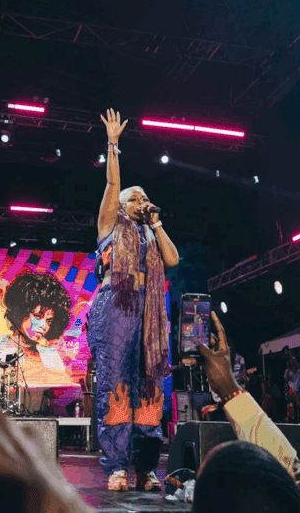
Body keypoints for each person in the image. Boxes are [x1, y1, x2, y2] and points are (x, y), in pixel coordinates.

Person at [88, 108, 179, 491]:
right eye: (136, 198)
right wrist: (113, 145)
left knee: (148, 385)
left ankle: (144, 468)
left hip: (148, 309)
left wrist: (156, 222)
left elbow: (173, 260)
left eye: (146, 198)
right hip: (115, 305)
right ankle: (116, 467)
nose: (143, 201)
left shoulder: (149, 232)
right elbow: (113, 185)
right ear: (124, 205)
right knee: (115, 383)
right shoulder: (111, 224)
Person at [197, 311, 300, 513]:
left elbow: (299, 486)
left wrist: (227, 388)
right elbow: (298, 485)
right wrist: (228, 387)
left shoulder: (242, 362)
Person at [0, 272, 75, 388]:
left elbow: (65, 389)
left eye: (49, 321)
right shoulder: (2, 349)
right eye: (37, 316)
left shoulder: (49, 354)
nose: (43, 326)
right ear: (21, 312)